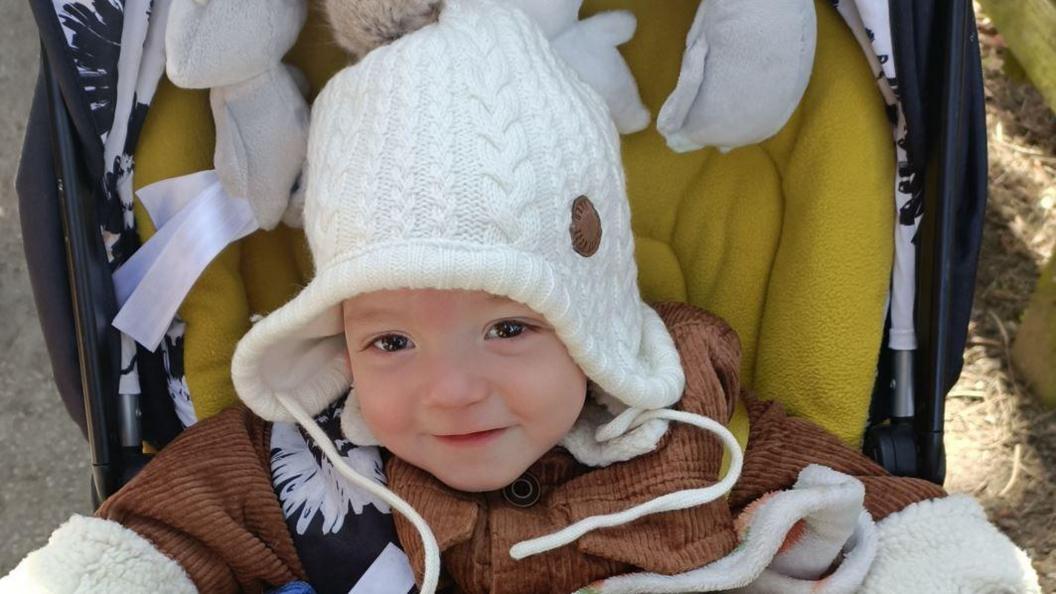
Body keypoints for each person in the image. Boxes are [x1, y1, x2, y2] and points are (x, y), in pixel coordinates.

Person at [1, 1, 1039, 593]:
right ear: (333, 330)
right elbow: (143, 546)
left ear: (589, 310)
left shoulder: (683, 421)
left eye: (509, 325)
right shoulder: (290, 456)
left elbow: (877, 509)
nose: (451, 393)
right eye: (391, 339)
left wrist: (933, 566)